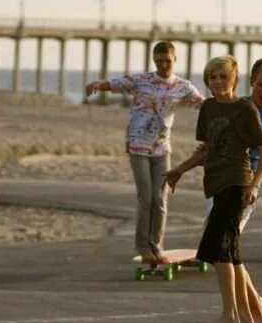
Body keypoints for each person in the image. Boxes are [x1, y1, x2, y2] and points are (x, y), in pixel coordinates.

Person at [164, 56, 262, 323]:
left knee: (219, 247)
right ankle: (251, 310)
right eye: (261, 85)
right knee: (228, 249)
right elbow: (208, 148)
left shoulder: (253, 112)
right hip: (214, 184)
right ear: (251, 82)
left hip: (241, 186)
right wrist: (180, 169)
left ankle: (233, 313)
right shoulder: (211, 107)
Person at [85, 41, 204, 262]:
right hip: (137, 145)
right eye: (159, 60)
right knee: (146, 197)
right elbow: (117, 84)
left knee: (160, 198)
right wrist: (97, 85)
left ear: (174, 60)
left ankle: (156, 246)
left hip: (162, 148)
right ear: (154, 60)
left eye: (167, 60)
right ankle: (143, 247)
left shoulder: (183, 86)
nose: (163, 64)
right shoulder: (142, 80)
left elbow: (204, 105)